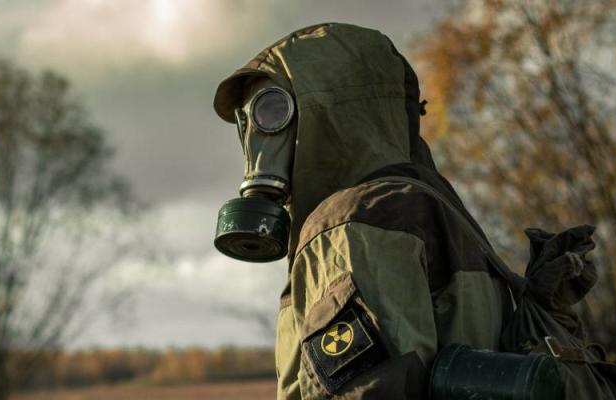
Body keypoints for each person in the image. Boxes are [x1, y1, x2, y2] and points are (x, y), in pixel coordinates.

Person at [211, 23, 513, 399]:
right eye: (250, 119)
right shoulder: (434, 205)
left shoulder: (352, 224)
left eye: (274, 111)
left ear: (325, 112)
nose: (259, 140)